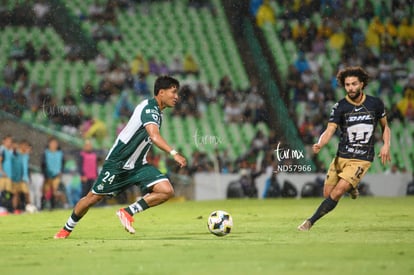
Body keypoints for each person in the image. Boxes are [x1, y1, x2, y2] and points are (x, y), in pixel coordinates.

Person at [54, 75, 187, 239]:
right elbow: (154, 136)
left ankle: (127, 212)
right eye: (173, 92)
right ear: (161, 92)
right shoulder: (149, 109)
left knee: (166, 190)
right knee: (92, 198)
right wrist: (174, 153)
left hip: (137, 165)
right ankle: (66, 229)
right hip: (118, 163)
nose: (176, 97)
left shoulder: (158, 113)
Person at [298, 66, 391, 231]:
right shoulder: (340, 106)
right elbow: (329, 130)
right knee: (328, 195)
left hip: (362, 158)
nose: (351, 88)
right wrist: (320, 143)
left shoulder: (375, 104)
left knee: (337, 193)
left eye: (354, 84)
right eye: (347, 84)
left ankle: (309, 222)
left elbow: (385, 127)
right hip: (341, 157)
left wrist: (386, 145)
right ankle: (352, 187)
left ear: (361, 84)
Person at [41, 137, 65, 210]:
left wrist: (61, 171)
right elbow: (43, 164)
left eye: (55, 143)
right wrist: (45, 174)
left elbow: (63, 163)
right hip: (48, 175)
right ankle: (43, 206)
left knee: (55, 190)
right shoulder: (46, 153)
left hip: (57, 175)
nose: (54, 145)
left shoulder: (60, 153)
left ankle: (54, 206)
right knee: (46, 191)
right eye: (52, 143)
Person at [11, 140, 32, 213]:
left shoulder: (25, 155)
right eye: (24, 145)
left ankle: (28, 207)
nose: (25, 147)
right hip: (16, 177)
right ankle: (15, 209)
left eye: (26, 146)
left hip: (23, 178)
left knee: (26, 193)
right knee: (16, 194)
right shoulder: (17, 154)